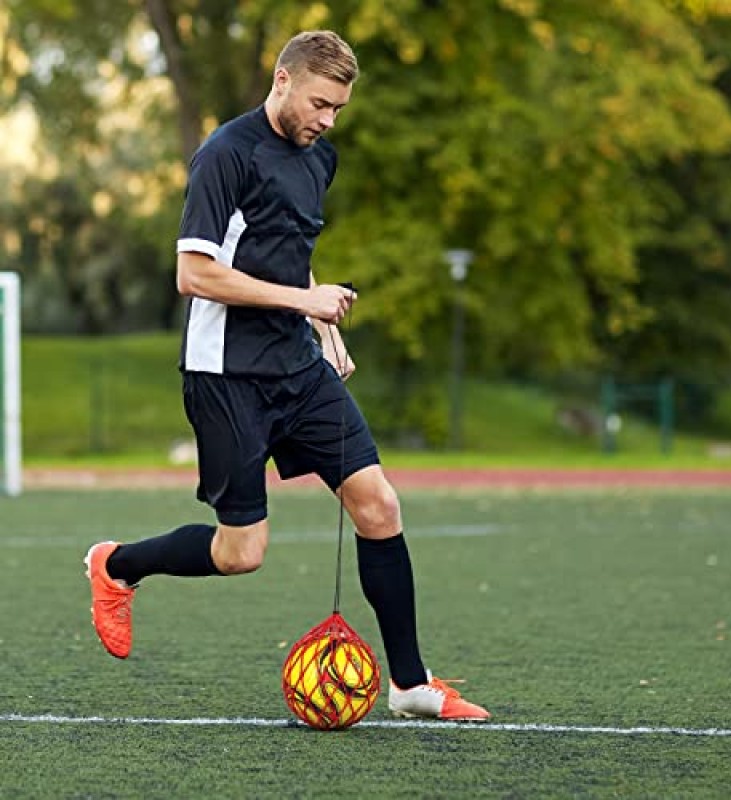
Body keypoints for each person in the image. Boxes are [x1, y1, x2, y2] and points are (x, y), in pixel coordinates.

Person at [84, 30, 489, 722]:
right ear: (282, 81)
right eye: (321, 103)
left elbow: (289, 249)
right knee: (242, 553)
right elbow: (194, 274)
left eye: (338, 109)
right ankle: (116, 565)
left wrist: (324, 329)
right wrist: (307, 303)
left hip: (298, 367)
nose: (328, 120)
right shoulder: (224, 156)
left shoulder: (318, 157)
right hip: (227, 375)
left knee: (379, 507)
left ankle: (412, 684)